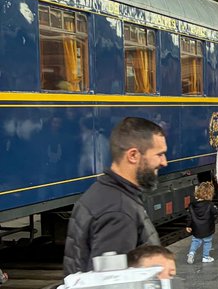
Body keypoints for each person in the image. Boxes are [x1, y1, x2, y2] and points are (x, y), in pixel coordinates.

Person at [62, 117, 167, 275]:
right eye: (160, 154)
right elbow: (111, 285)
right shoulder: (118, 211)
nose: (164, 162)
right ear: (133, 155)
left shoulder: (101, 192)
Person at [186, 180, 218, 264]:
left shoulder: (192, 205)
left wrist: (188, 225)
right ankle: (205, 257)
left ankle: (191, 253)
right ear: (210, 194)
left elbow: (189, 217)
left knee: (195, 240)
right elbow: (215, 212)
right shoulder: (210, 204)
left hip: (196, 228)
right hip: (207, 228)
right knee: (207, 242)